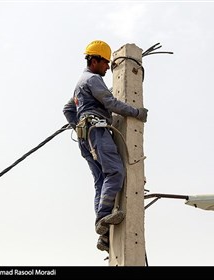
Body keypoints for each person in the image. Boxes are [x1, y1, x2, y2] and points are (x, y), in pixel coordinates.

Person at [63, 40, 148, 253]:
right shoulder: (92, 79)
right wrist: (137, 113)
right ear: (94, 60)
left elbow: (67, 109)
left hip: (86, 137)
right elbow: (111, 103)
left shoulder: (81, 83)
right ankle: (102, 218)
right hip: (97, 132)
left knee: (101, 180)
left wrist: (79, 127)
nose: (108, 67)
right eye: (105, 62)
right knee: (115, 172)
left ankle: (103, 235)